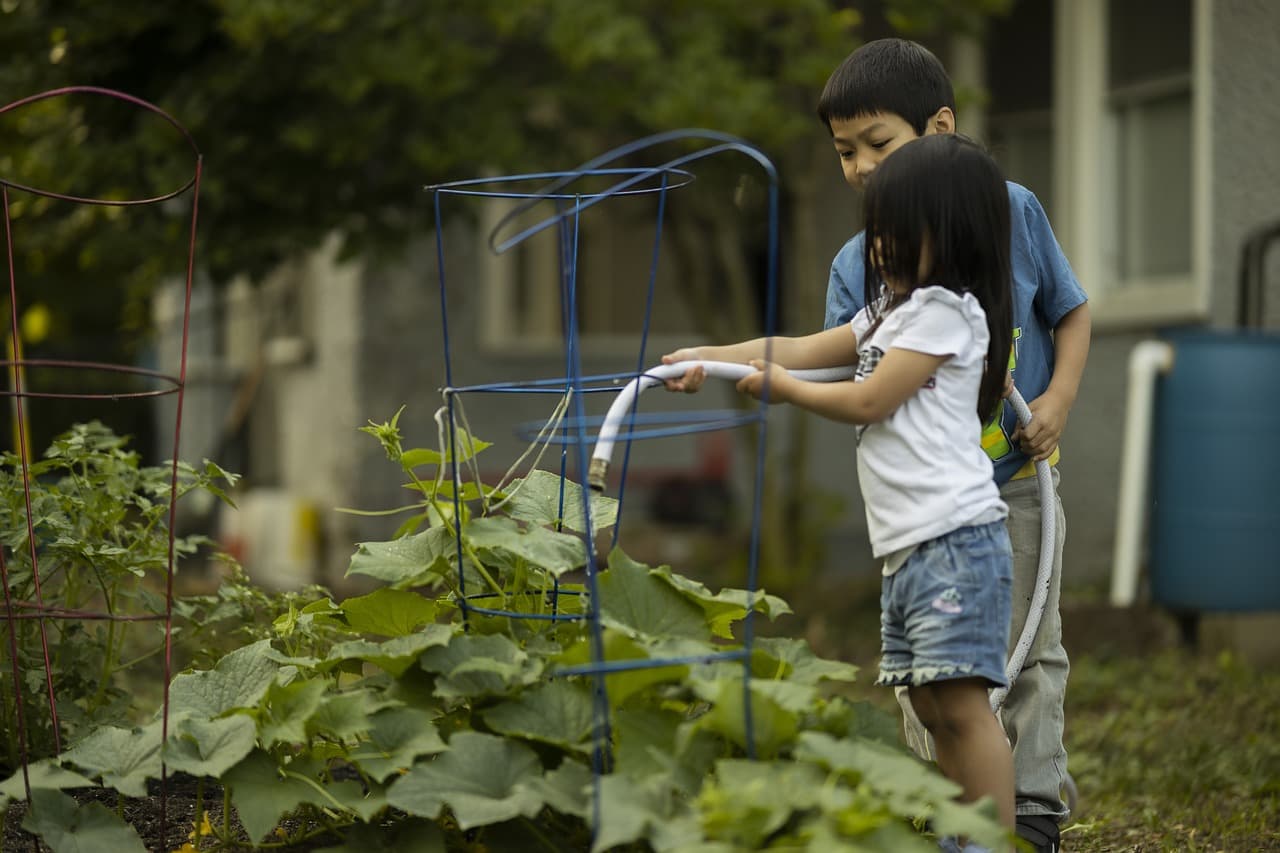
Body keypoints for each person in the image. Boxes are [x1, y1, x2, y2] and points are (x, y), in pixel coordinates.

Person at [665, 133, 1018, 847]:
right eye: (876, 230)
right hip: (910, 549)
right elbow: (796, 349)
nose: (880, 246)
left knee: (962, 706)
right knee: (930, 706)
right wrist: (708, 356)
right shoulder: (888, 314)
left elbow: (869, 399)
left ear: (952, 232)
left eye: (897, 230)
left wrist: (787, 391)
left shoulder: (948, 312)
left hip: (955, 542)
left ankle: (992, 843)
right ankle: (959, 835)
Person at [817, 38, 1091, 853]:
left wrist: (1057, 399)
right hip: (926, 506)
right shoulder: (858, 263)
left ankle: (1030, 808)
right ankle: (949, 802)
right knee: (927, 664)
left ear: (940, 128)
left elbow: (1071, 311)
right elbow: (848, 372)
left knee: (1028, 645)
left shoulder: (1014, 213)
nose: (863, 167)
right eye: (845, 152)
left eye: (878, 143)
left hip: (1015, 478)